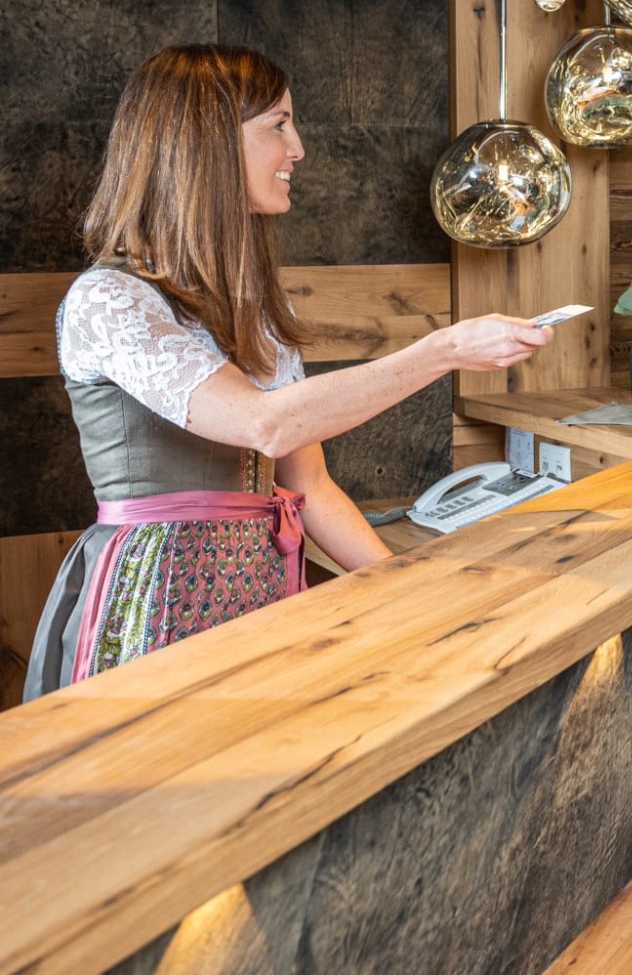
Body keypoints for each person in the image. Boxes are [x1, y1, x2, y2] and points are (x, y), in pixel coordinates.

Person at [24, 44, 553, 700]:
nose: (297, 147)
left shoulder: (257, 308)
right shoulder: (111, 300)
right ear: (206, 142)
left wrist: (413, 594)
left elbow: (310, 485)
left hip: (261, 590)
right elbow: (262, 425)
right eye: (277, 124)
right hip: (153, 598)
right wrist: (439, 352)